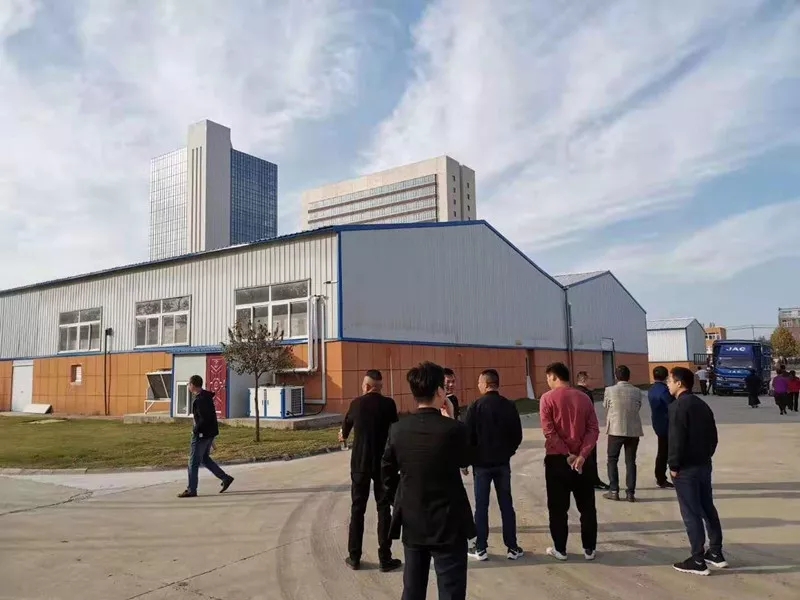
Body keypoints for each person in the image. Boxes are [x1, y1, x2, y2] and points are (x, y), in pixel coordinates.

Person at [381, 361, 474, 600]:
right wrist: (451, 418)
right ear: (440, 391)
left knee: (412, 589)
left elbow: (386, 473)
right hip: (449, 523)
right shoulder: (454, 430)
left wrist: (399, 500)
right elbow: (466, 459)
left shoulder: (398, 430)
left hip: (413, 520)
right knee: (451, 590)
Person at [339, 370, 402, 572]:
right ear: (380, 387)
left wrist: (343, 435)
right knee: (383, 509)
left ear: (366, 386)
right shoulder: (389, 404)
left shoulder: (356, 404)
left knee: (358, 508)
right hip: (383, 464)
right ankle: (385, 558)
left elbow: (345, 428)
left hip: (360, 464)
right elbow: (395, 431)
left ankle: (354, 557)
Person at [667, 366, 727, 576]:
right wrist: (706, 456)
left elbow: (676, 440)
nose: (668, 385)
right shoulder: (702, 404)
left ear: (679, 383)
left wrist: (674, 466)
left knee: (691, 513)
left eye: (670, 381)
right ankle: (716, 552)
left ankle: (698, 559)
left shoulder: (677, 407)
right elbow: (714, 437)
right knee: (707, 507)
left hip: (686, 469)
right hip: (703, 465)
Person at [540, 362, 600, 561]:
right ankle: (589, 548)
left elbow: (549, 432)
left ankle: (560, 549)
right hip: (583, 462)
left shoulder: (547, 399)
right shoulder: (584, 398)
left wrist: (567, 454)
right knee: (587, 507)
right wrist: (582, 454)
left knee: (558, 508)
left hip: (558, 460)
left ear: (554, 377)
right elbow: (593, 429)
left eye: (548, 378)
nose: (547, 381)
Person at [463, 369, 524, 561]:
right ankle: (512, 547)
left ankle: (481, 547)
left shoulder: (475, 407)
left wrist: (466, 461)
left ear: (486, 384)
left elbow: (468, 438)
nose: (478, 386)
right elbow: (517, 435)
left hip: (481, 466)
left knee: (481, 506)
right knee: (506, 504)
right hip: (502, 464)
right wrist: (508, 452)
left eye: (479, 382)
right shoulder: (509, 406)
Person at [178, 375, 234, 498]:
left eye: (189, 384)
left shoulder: (200, 400)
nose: (188, 386)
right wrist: (211, 436)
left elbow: (204, 419)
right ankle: (225, 478)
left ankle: (191, 489)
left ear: (193, 385)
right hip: (209, 433)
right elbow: (210, 417)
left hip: (201, 435)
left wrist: (195, 431)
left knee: (193, 462)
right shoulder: (206, 397)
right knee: (204, 459)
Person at [602, 365, 644, 502]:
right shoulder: (637, 391)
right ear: (629, 376)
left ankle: (614, 490)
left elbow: (606, 405)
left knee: (612, 459)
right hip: (633, 430)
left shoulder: (609, 390)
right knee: (630, 461)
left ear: (616, 376)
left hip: (615, 429)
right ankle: (630, 493)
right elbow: (638, 406)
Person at [575, 371, 609, 491]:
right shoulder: (586, 394)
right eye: (590, 379)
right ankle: (593, 480)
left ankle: (580, 480)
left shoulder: (574, 392)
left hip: (576, 430)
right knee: (590, 455)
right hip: (587, 430)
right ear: (584, 380)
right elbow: (589, 413)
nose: (592, 381)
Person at [647, 366, 674, 489]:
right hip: (667, 424)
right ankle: (661, 478)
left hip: (658, 423)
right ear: (666, 376)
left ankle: (660, 477)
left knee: (662, 451)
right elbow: (672, 406)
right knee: (666, 452)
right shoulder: (665, 391)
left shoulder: (652, 389)